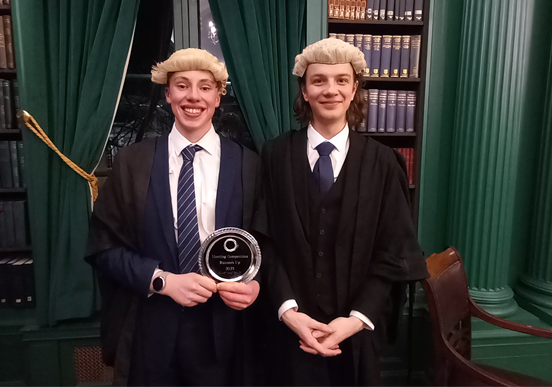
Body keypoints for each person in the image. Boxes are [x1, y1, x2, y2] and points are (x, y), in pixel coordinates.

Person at [86, 48, 266, 386]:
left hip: (226, 334)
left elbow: (268, 244)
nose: (193, 96)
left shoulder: (249, 165)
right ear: (168, 95)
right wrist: (163, 281)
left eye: (204, 87)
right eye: (182, 86)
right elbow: (102, 247)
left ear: (217, 96)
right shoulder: (131, 164)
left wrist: (256, 284)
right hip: (151, 331)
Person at [261, 38, 429, 386]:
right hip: (288, 332)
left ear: (354, 89)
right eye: (318, 80)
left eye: (341, 80)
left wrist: (355, 319)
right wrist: (289, 312)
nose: (330, 90)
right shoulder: (274, 156)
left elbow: (393, 252)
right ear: (304, 91)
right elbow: (265, 242)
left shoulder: (383, 164)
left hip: (356, 334)